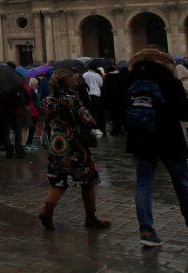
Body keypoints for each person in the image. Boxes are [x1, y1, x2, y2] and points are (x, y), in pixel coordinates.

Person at [123, 48, 188, 247]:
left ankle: (146, 229)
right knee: (183, 182)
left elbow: (120, 110)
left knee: (143, 184)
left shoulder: (129, 81)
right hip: (169, 137)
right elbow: (183, 113)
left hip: (140, 140)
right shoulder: (169, 81)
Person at [37, 69, 109, 230]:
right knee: (88, 179)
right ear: (68, 82)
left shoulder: (47, 101)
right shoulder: (71, 99)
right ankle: (91, 217)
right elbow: (88, 120)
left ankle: (46, 211)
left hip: (57, 145)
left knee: (59, 180)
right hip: (74, 144)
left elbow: (44, 122)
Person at [83, 67, 105, 135]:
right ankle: (96, 127)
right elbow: (101, 84)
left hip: (88, 95)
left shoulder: (84, 74)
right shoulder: (97, 75)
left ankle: (90, 127)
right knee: (97, 112)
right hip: (96, 95)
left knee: (90, 112)